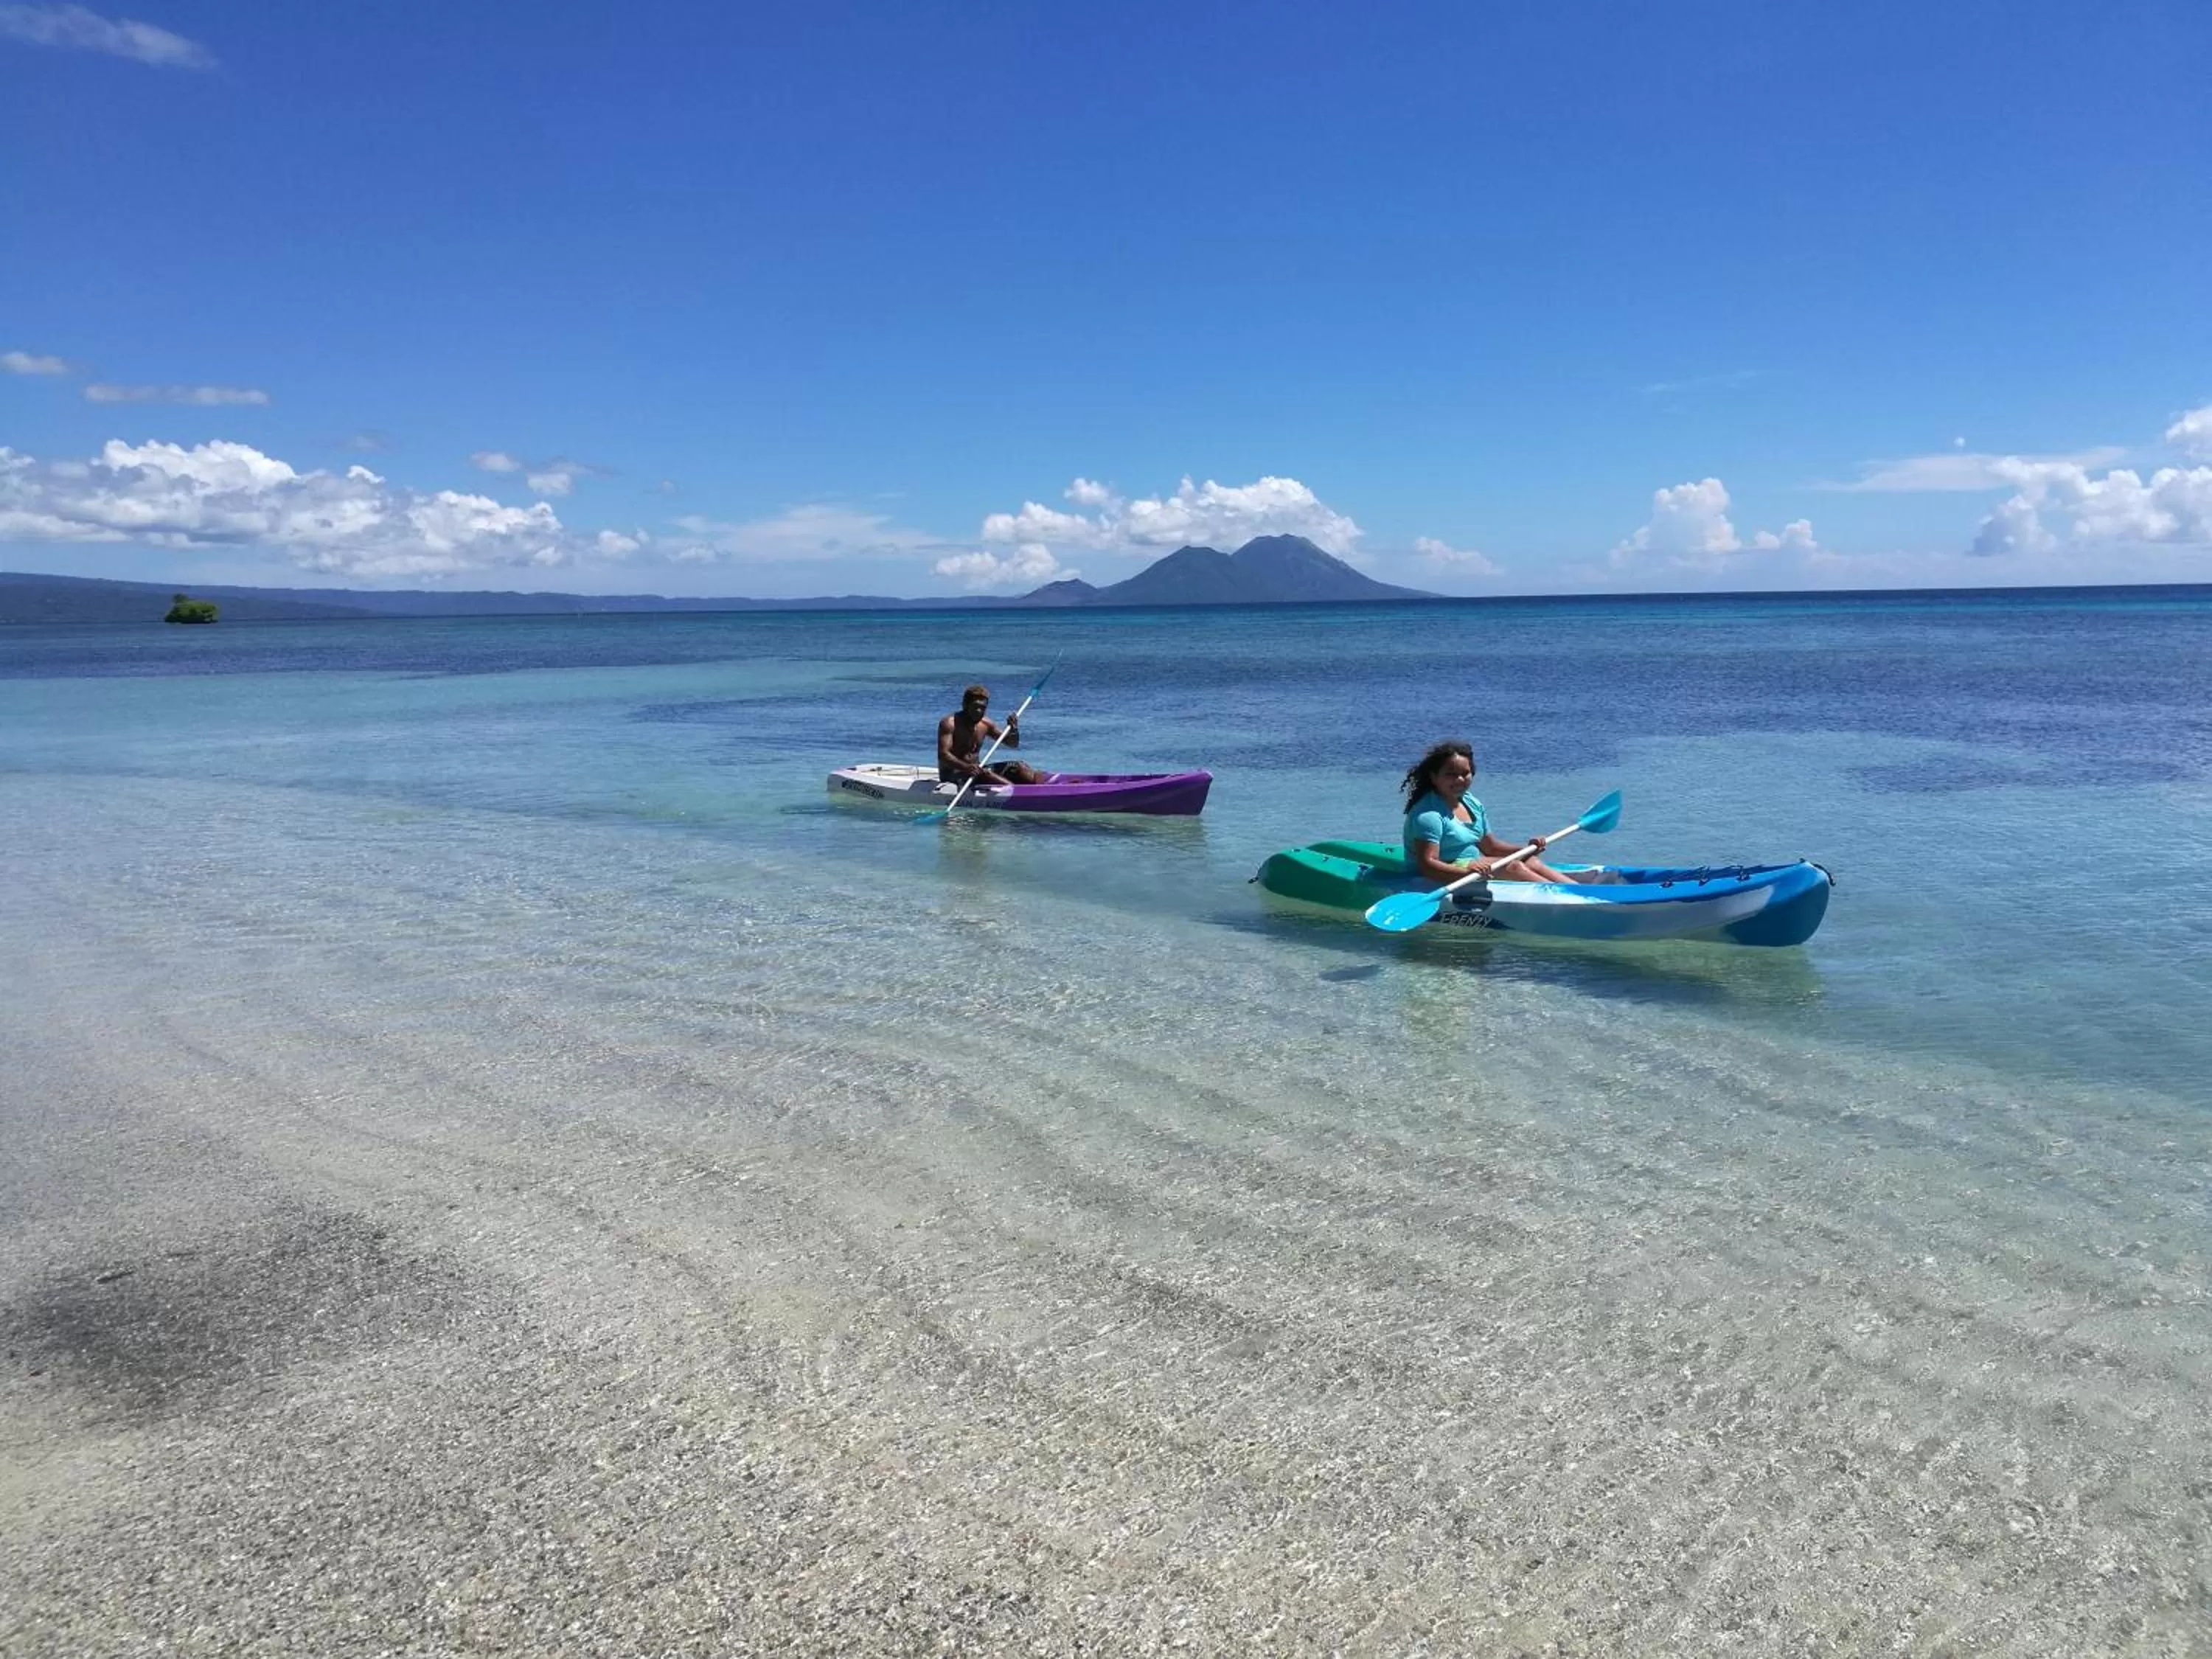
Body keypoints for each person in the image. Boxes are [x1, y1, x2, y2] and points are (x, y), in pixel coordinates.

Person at [1401, 740, 1587, 886]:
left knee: (1528, 860)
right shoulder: (1429, 815)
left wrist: (1527, 849)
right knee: (1512, 866)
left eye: (1465, 773)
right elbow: (1428, 865)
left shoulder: (1471, 802)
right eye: (1450, 774)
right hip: (1445, 871)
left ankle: (1579, 891)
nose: (1459, 779)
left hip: (1473, 864)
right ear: (1434, 777)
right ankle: (1564, 899)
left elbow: (1491, 847)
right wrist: (1469, 873)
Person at [937, 683, 1043, 787]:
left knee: (1020, 767)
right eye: (976, 706)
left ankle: (1042, 791)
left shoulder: (985, 724)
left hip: (977, 771)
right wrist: (966, 767)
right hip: (954, 774)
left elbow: (1012, 744)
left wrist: (1014, 729)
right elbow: (944, 755)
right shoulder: (950, 723)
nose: (979, 711)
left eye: (983, 708)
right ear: (965, 705)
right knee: (986, 773)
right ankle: (1017, 795)